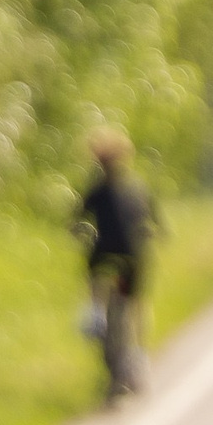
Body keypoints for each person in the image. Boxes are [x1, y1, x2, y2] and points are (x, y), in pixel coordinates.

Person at [75, 131, 154, 400]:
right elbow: (152, 220)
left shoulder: (95, 190)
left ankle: (95, 312)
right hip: (131, 255)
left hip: (103, 255)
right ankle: (140, 354)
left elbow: (77, 219)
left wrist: (79, 230)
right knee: (135, 303)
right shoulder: (135, 188)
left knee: (95, 270)